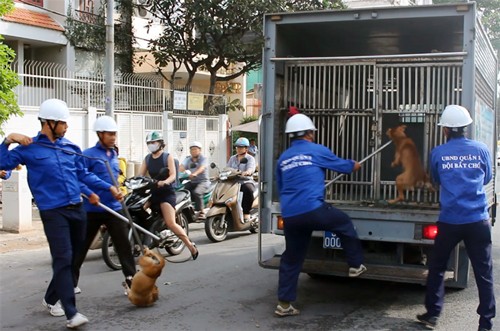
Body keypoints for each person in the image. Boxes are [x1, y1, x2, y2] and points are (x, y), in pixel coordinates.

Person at [0, 98, 123, 329]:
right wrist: (7, 140)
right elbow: (2, 162)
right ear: (49, 123)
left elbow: (81, 175)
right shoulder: (28, 148)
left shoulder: (71, 148)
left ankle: (49, 298)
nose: (67, 127)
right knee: (63, 258)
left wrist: (104, 189)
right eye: (63, 123)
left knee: (73, 259)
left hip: (77, 209)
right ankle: (71, 312)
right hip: (52, 211)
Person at [274, 113, 366, 317]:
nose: (313, 135)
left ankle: (284, 304)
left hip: (290, 214)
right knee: (344, 223)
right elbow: (342, 166)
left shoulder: (283, 158)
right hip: (313, 209)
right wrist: (354, 165)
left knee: (291, 257)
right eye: (312, 132)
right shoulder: (316, 151)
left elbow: (280, 186)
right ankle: (355, 265)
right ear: (308, 133)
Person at [417, 105, 496, 331]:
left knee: (437, 267)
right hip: (477, 220)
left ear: (445, 131)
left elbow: (435, 178)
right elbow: (487, 177)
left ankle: (432, 314)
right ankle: (486, 323)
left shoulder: (438, 152)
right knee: (484, 273)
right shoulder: (481, 149)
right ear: (467, 129)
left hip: (451, 220)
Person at [73, 116, 136, 295]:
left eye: (114, 133)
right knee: (81, 246)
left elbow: (116, 178)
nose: (113, 137)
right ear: (100, 134)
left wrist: (120, 192)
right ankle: (70, 282)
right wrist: (89, 194)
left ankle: (131, 280)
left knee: (124, 245)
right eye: (109, 134)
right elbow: (79, 178)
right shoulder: (88, 154)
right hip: (93, 209)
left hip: (114, 208)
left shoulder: (114, 154)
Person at [138, 131, 198, 260]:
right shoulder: (147, 159)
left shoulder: (167, 157)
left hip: (166, 193)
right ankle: (145, 241)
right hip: (153, 192)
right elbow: (140, 176)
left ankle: (190, 246)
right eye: (149, 143)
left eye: (153, 142)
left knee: (171, 222)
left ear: (160, 143)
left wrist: (164, 182)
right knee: (138, 210)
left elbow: (172, 175)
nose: (151, 145)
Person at [227, 137, 257, 222]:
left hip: (245, 181)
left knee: (247, 189)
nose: (238, 149)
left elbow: (251, 168)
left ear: (246, 148)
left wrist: (247, 172)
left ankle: (246, 213)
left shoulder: (250, 158)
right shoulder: (232, 158)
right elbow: (227, 168)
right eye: (237, 147)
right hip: (233, 181)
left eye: (241, 147)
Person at [179, 141, 210, 219]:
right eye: (192, 149)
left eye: (195, 149)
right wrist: (176, 173)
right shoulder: (188, 159)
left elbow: (202, 168)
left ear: (200, 150)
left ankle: (201, 211)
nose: (193, 151)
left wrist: (195, 173)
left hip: (203, 181)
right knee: (182, 192)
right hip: (192, 181)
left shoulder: (203, 159)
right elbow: (181, 167)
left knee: (197, 192)